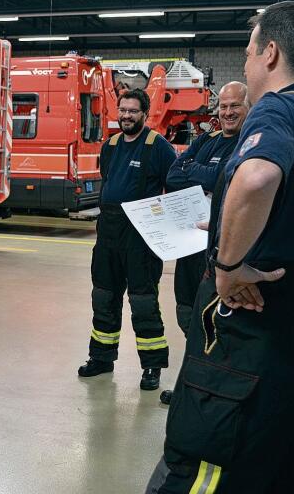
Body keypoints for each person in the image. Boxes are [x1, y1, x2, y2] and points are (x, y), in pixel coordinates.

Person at [147, 0, 294, 493]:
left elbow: (257, 177)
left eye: (246, 52)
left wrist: (228, 267)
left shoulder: (282, 111)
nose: (244, 61)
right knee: (290, 467)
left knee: (206, 464)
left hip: (255, 335)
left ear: (270, 53)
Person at [78, 88, 177, 390]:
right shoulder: (109, 145)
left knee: (143, 301)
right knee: (103, 297)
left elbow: (173, 189)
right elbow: (109, 180)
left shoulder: (158, 147)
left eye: (133, 111)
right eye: (122, 110)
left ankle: (152, 366)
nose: (126, 116)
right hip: (108, 232)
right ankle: (102, 358)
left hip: (140, 236)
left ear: (145, 114)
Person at [160, 81, 248, 404]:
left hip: (220, 247)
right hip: (189, 246)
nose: (227, 113)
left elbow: (223, 180)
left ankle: (212, 389)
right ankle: (189, 384)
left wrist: (196, 171)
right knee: (187, 313)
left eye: (234, 106)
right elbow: (173, 176)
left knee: (214, 321)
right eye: (223, 106)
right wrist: (206, 175)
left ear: (247, 106)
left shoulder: (247, 143)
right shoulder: (207, 140)